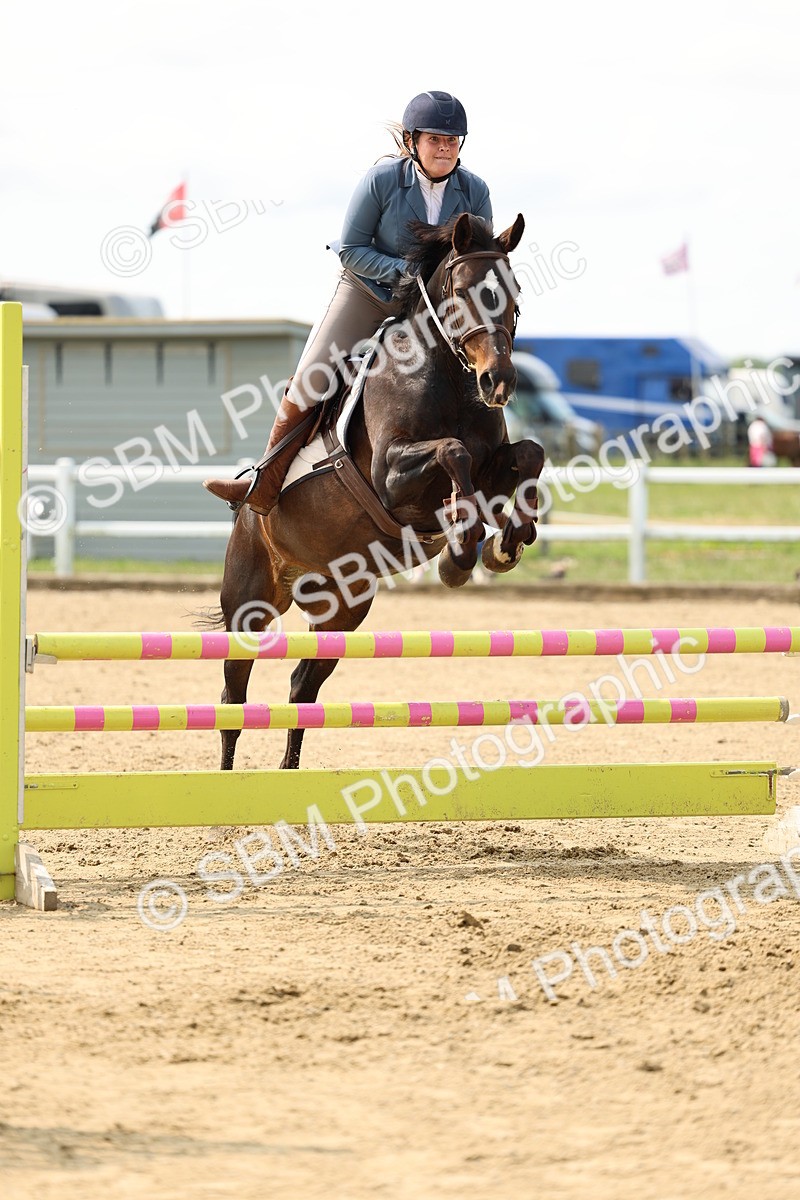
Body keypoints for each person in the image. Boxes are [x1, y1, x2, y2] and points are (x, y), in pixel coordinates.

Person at [204, 90, 493, 513]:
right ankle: (264, 482)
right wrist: (403, 272)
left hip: (432, 309)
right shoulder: (381, 182)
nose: (444, 148)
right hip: (370, 292)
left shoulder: (474, 191)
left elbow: (477, 261)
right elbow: (351, 249)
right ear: (413, 141)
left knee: (481, 364)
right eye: (435, 139)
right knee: (312, 377)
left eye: (452, 141)